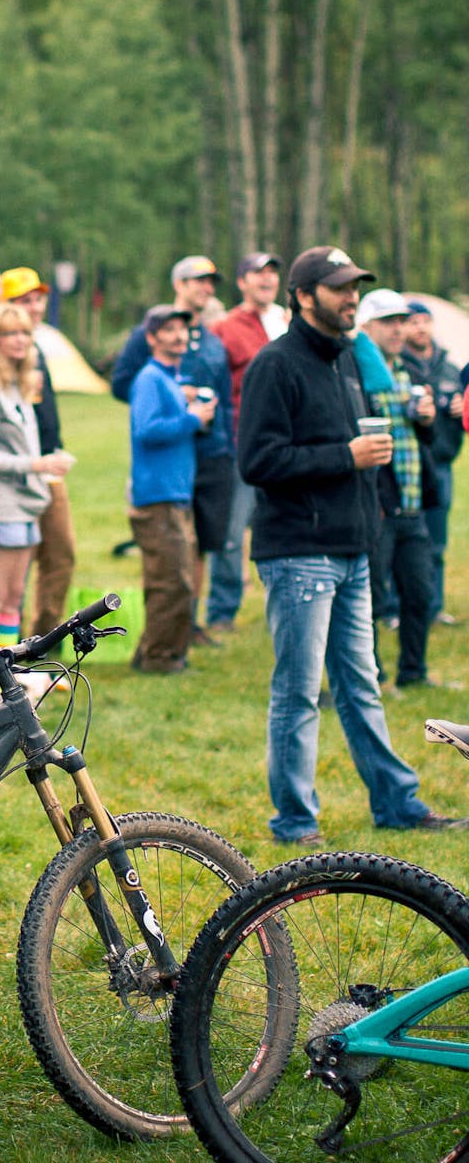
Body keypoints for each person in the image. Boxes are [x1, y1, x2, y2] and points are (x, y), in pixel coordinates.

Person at [238, 245, 465, 844]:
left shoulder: (346, 362)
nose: (351, 297)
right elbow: (257, 461)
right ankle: (294, 820)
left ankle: (396, 802)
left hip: (351, 550)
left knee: (361, 684)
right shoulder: (276, 365)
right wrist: (346, 457)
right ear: (304, 296)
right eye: (339, 288)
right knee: (298, 692)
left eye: (354, 287)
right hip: (298, 554)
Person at [112, 256, 234, 646]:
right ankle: (163, 645)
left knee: (195, 548)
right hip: (166, 466)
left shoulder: (211, 340)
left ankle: (187, 627)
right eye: (199, 280)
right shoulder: (150, 346)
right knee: (169, 561)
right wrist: (177, 406)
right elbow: (131, 394)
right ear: (179, 283)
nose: (207, 288)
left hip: (208, 453)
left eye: (211, 282)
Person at [0, 302, 69, 659]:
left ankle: (10, 673)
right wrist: (35, 465)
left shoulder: (15, 383)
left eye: (26, 332)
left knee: (12, 598)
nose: (21, 340)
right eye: (11, 333)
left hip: (26, 503)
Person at [354, 289, 438, 690]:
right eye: (388, 322)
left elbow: (427, 438)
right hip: (377, 507)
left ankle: (414, 673)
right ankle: (369, 677)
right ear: (366, 327)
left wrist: (427, 419)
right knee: (369, 598)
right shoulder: (354, 374)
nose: (398, 329)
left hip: (412, 503)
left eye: (402, 321)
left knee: (420, 595)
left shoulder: (408, 371)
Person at [128, 305, 216, 675]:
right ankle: (160, 659)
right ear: (152, 338)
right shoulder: (149, 378)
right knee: (171, 581)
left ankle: (158, 652)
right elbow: (147, 430)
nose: (179, 335)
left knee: (175, 578)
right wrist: (193, 418)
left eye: (183, 329)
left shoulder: (169, 378)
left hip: (175, 493)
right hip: (157, 496)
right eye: (169, 330)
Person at [206, 252, 287, 631]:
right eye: (258, 274)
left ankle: (287, 601)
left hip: (287, 442)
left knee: (285, 526)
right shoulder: (226, 327)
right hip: (242, 442)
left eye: (272, 273)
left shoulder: (286, 322)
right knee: (232, 533)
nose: (267, 280)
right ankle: (222, 611)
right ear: (242, 282)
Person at [0, 266, 77, 635]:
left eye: (38, 299)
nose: (34, 307)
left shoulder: (39, 345)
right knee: (13, 569)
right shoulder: (0, 352)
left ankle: (46, 641)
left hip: (50, 467)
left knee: (61, 555)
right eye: (23, 300)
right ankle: (7, 653)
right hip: (17, 472)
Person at [402, 299, 464, 625]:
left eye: (425, 321)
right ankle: (397, 607)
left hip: (441, 465)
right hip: (409, 465)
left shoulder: (450, 367)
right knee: (405, 537)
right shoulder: (396, 365)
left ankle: (434, 607)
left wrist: (458, 410)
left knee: (436, 542)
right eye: (413, 322)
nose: (420, 327)